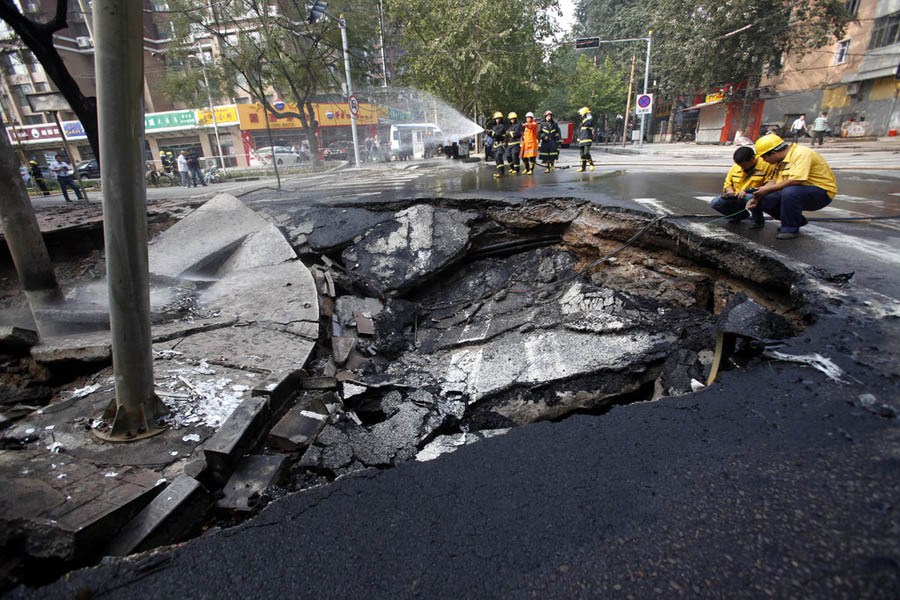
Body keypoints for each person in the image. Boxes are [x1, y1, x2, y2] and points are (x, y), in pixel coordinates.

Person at [746, 133, 837, 240]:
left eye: (764, 157)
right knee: (765, 199)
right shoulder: (780, 162)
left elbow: (797, 180)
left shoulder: (801, 153)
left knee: (790, 191)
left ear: (773, 153)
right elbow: (774, 181)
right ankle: (797, 220)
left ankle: (790, 228)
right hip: (797, 192)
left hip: (821, 193)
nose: (764, 161)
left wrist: (768, 189)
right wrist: (758, 195)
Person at [710, 145, 772, 223]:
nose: (742, 168)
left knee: (750, 198)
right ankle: (740, 215)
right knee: (715, 202)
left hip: (755, 195)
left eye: (744, 165)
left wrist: (748, 191)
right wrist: (730, 192)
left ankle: (758, 220)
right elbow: (728, 183)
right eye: (740, 165)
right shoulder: (736, 167)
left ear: (753, 158)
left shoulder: (766, 165)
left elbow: (769, 185)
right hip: (736, 196)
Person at [576, 106, 595, 172]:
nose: (581, 115)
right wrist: (578, 137)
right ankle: (583, 168)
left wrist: (589, 117)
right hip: (581, 140)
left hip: (587, 139)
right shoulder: (582, 122)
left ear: (584, 114)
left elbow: (589, 124)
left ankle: (591, 164)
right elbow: (579, 130)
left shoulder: (589, 120)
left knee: (586, 153)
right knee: (582, 155)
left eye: (582, 114)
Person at [489, 111, 508, 177]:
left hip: (501, 144)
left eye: (499, 118)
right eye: (496, 119)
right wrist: (488, 133)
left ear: (501, 119)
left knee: (498, 156)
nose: (498, 120)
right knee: (496, 158)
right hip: (495, 144)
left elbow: (498, 134)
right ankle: (500, 172)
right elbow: (493, 136)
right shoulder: (494, 127)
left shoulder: (502, 126)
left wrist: (492, 133)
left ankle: (501, 172)